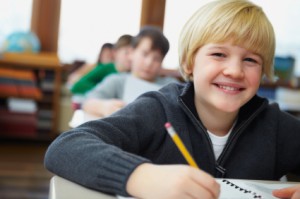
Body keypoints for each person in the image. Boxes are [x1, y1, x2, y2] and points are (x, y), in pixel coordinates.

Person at [45, 0, 300, 199]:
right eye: (219, 54)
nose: (234, 71)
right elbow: (65, 147)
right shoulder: (158, 109)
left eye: (250, 60)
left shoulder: (275, 126)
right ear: (190, 63)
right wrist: (139, 176)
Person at [82, 26, 178, 117]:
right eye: (144, 54)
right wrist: (104, 107)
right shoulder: (117, 81)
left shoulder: (171, 86)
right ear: (131, 53)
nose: (149, 63)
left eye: (157, 59)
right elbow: (88, 102)